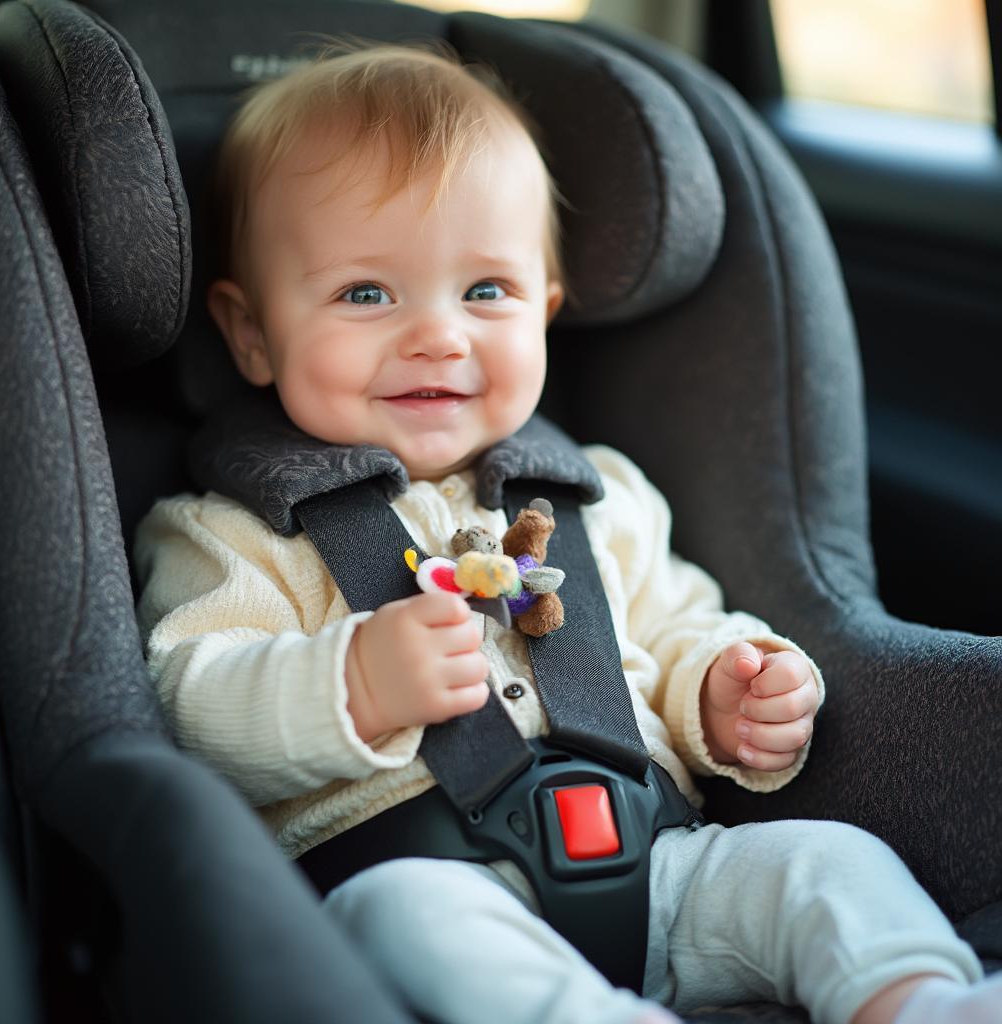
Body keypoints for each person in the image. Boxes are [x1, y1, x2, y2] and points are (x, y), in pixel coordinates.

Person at [134, 43, 999, 1024]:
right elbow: (185, 708)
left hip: (658, 865)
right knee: (395, 916)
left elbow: (676, 630)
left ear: (544, 312)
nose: (439, 336)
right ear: (250, 333)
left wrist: (725, 689)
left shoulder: (599, 499)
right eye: (366, 293)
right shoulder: (232, 534)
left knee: (823, 859)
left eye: (486, 292)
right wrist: (353, 685)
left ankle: (920, 1000)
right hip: (423, 871)